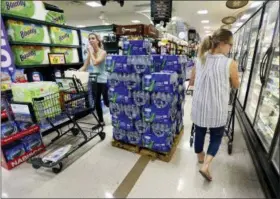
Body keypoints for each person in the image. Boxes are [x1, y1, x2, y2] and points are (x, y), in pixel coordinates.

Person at [189, 29, 240, 181]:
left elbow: (192, 81)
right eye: (230, 45)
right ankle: (206, 165)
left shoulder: (199, 59)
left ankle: (199, 156)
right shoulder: (230, 63)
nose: (230, 48)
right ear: (223, 44)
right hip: (218, 107)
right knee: (216, 137)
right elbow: (236, 85)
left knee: (199, 132)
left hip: (200, 106)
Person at [80, 32, 109, 126]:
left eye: (93, 38)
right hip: (95, 80)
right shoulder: (90, 53)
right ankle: (101, 121)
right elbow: (85, 66)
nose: (91, 40)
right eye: (89, 39)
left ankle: (117, 113)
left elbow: (96, 62)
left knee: (107, 102)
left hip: (103, 80)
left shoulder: (103, 52)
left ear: (97, 40)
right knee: (96, 100)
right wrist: (74, 72)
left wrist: (90, 52)